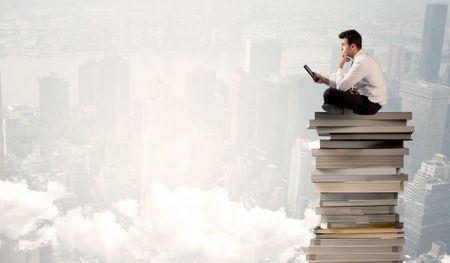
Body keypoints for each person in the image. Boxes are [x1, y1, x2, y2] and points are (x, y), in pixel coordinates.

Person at [313, 29, 386, 115]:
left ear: (352, 46)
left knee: (329, 93)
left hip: (370, 104)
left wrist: (340, 66)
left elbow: (341, 87)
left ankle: (342, 110)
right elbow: (344, 82)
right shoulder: (361, 59)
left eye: (343, 45)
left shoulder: (361, 62)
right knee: (329, 93)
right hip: (367, 100)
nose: (341, 49)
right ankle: (340, 108)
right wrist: (323, 80)